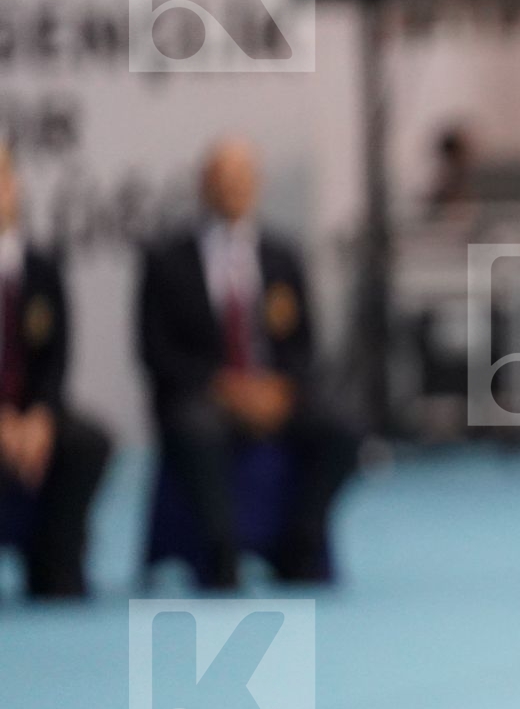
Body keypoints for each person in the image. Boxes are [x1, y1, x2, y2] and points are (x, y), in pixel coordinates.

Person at [137, 138, 359, 588]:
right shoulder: (167, 260)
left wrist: (279, 389)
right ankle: (220, 549)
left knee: (343, 426)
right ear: (204, 186)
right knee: (196, 430)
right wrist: (223, 387)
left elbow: (304, 344)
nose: (233, 188)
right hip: (205, 394)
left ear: (257, 185)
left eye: (241, 178)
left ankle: (300, 540)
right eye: (223, 179)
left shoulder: (282, 255)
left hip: (273, 392)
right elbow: (155, 350)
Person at [0, 146, 112, 599]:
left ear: (16, 186)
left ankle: (55, 559)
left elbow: (56, 359)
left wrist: (41, 417)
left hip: (31, 414)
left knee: (88, 441)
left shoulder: (43, 269)